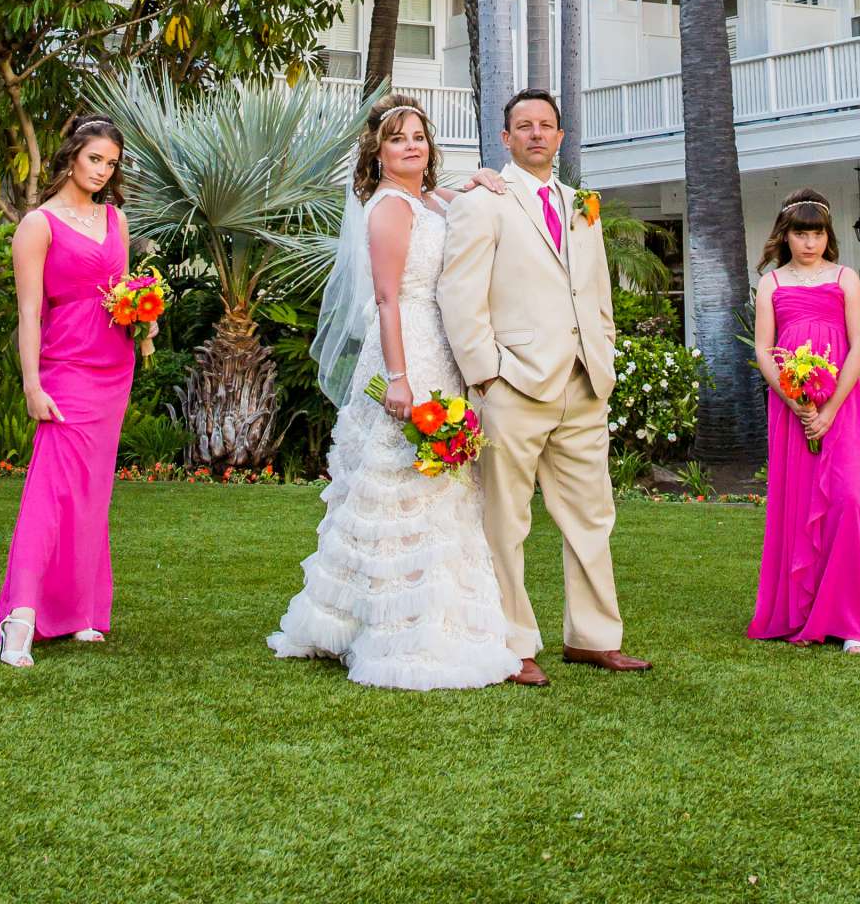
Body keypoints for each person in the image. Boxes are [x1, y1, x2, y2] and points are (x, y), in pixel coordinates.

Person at [268, 96, 519, 689]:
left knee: (442, 481)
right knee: (396, 481)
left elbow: (459, 204)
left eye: (419, 137)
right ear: (377, 154)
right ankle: (387, 621)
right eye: (398, 139)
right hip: (405, 346)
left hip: (440, 346)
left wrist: (479, 177)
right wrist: (400, 378)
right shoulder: (387, 208)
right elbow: (385, 299)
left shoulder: (428, 199)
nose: (412, 146)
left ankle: (445, 614)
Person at [437, 88, 649, 688]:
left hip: (584, 383)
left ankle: (594, 637)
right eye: (523, 126)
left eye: (546, 125)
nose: (536, 134)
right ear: (505, 138)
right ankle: (514, 643)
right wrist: (487, 373)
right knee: (505, 521)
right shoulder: (485, 203)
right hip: (514, 384)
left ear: (559, 138)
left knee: (592, 515)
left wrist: (603, 353)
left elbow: (597, 292)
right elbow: (460, 293)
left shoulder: (582, 205)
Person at [0, 117, 135, 667]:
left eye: (111, 163)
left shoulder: (115, 219)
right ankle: (20, 616)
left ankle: (79, 611)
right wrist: (31, 383)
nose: (102, 170)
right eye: (95, 159)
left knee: (92, 491)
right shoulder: (38, 225)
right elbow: (29, 313)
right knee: (49, 493)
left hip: (114, 367)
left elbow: (121, 291)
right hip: (65, 368)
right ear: (71, 156)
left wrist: (146, 318)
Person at [747, 193, 860, 653]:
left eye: (817, 232)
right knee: (797, 506)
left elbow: (859, 346)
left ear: (828, 236)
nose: (809, 241)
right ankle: (799, 615)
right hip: (791, 409)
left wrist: (829, 409)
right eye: (801, 233)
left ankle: (850, 623)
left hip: (841, 406)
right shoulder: (771, 284)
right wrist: (793, 399)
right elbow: (764, 349)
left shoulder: (846, 279)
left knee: (845, 501)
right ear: (786, 236)